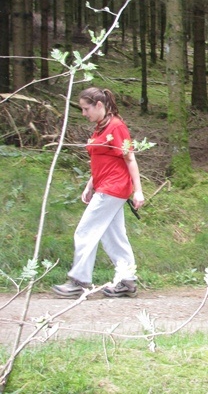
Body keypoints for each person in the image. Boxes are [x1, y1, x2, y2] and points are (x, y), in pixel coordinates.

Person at [52, 87, 144, 299]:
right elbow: (104, 160)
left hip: (114, 188)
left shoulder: (117, 127)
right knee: (114, 237)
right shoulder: (99, 129)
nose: (84, 114)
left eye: (86, 109)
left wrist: (138, 191)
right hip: (104, 186)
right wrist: (90, 184)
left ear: (99, 105)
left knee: (85, 231)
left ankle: (79, 281)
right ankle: (127, 281)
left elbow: (129, 158)